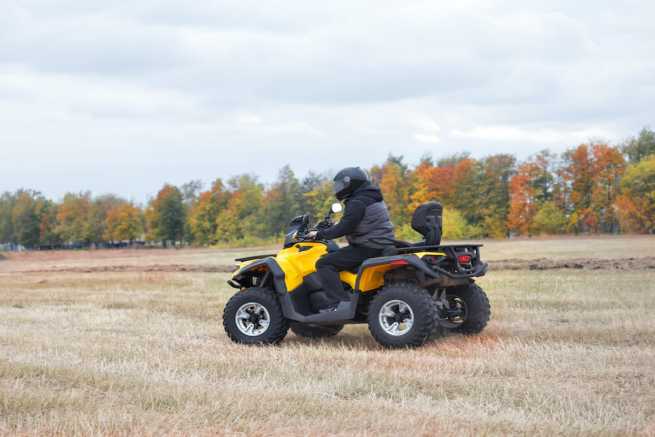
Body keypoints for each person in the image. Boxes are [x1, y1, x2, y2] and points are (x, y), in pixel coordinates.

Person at [306, 167, 395, 313]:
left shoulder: (357, 202)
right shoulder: (370, 197)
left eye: (340, 185)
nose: (338, 189)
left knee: (324, 263)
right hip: (380, 243)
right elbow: (356, 222)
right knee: (336, 255)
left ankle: (338, 304)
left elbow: (345, 228)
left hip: (368, 247)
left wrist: (318, 234)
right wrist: (335, 226)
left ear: (350, 184)